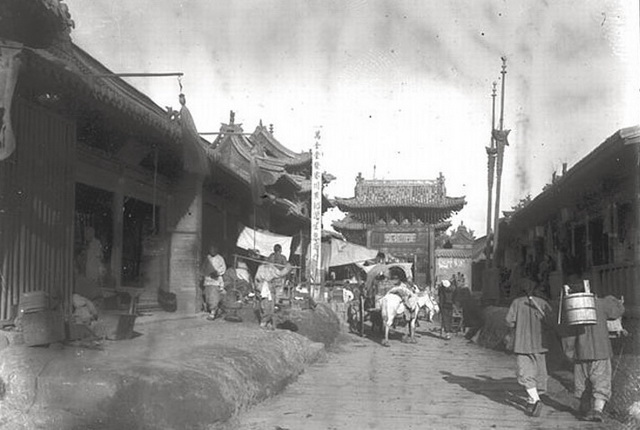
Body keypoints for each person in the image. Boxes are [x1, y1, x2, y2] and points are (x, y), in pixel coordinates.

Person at [562, 288, 625, 422]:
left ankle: (584, 410)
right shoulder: (602, 303)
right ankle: (597, 411)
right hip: (601, 351)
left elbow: (568, 334)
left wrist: (569, 352)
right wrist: (618, 302)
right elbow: (617, 311)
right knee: (601, 382)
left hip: (581, 353)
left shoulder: (571, 306)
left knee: (582, 383)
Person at [505, 283, 553, 417]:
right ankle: (533, 399)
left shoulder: (516, 303)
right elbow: (551, 322)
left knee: (526, 373)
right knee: (539, 373)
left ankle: (534, 399)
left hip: (522, 344)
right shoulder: (543, 303)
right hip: (540, 345)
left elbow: (509, 321)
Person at [200, 245, 226, 320]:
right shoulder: (208, 258)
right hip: (208, 280)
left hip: (216, 280)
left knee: (214, 296)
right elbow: (203, 268)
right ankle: (212, 309)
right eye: (211, 249)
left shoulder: (220, 258)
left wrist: (217, 273)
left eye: (214, 249)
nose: (212, 251)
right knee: (208, 296)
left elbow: (223, 268)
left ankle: (213, 312)